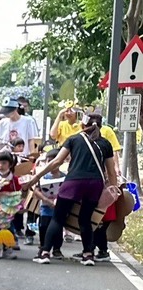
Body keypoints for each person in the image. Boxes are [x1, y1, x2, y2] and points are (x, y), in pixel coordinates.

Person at [23, 113, 121, 265]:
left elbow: (56, 161)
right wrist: (113, 189)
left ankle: (44, 252)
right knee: (85, 219)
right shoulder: (105, 144)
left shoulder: (74, 139)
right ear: (101, 126)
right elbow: (111, 171)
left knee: (58, 217)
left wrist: (36, 178)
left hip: (73, 182)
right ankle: (88, 255)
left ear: (83, 125)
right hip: (95, 184)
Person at [0, 152, 23, 260]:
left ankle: (8, 248)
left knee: (8, 226)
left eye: (4, 163)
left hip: (9, 205)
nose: (0, 166)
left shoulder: (14, 179)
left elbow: (18, 190)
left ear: (10, 164)